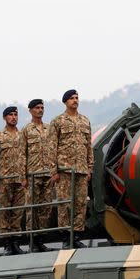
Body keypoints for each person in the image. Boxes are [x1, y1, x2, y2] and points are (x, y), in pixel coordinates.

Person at [47, 89, 93, 248]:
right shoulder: (58, 121)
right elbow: (51, 147)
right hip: (64, 170)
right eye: (72, 98)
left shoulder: (85, 121)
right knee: (65, 204)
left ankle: (77, 236)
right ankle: (66, 238)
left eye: (77, 97)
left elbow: (89, 147)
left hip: (81, 170)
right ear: (65, 102)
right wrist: (54, 171)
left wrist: (89, 169)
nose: (75, 100)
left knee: (80, 204)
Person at [0, 106, 26, 255]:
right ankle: (7, 245)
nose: (13, 117)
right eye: (10, 115)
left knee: (17, 212)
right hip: (4, 180)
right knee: (4, 212)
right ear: (5, 118)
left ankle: (16, 242)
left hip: (20, 180)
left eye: (16, 114)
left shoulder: (22, 135)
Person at [21, 98, 51, 251]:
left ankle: (40, 239)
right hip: (32, 174)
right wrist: (23, 177)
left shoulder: (49, 128)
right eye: (37, 108)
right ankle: (32, 241)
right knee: (31, 208)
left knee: (45, 208)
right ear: (31, 110)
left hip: (47, 174)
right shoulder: (26, 130)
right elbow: (22, 155)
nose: (40, 110)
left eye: (42, 107)